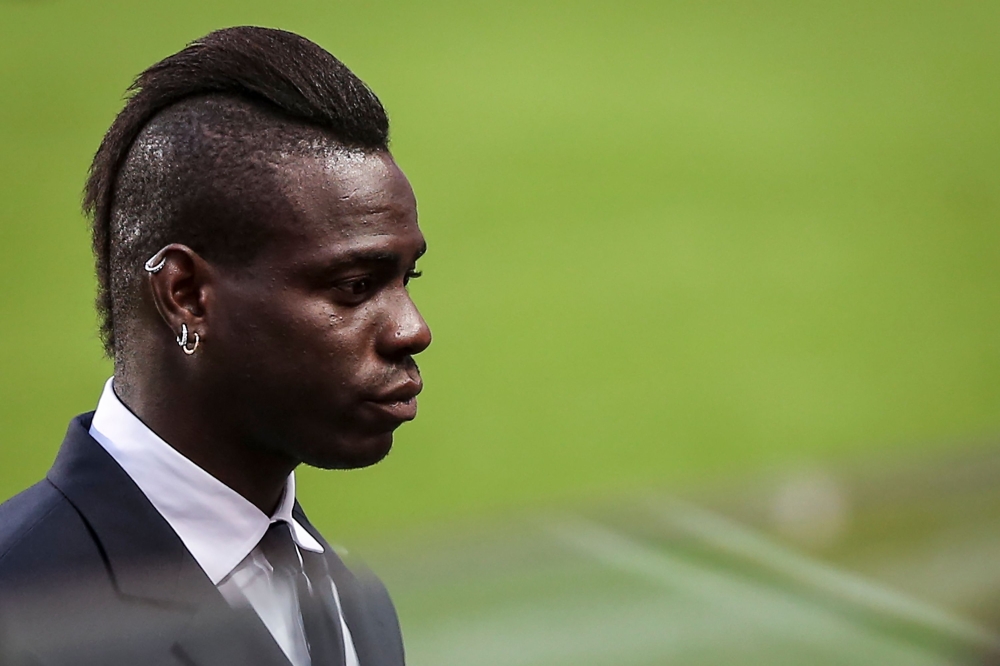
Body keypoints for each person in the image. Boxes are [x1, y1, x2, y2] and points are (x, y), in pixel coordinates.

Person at [0, 26, 430, 666]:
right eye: (353, 285)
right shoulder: (22, 612)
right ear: (186, 295)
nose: (411, 328)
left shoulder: (353, 601)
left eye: (406, 278)